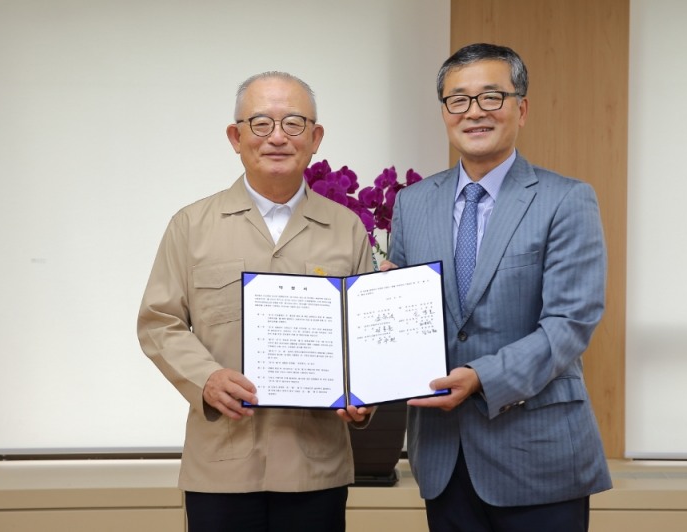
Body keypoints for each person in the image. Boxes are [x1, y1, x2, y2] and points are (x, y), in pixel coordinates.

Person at [383, 43, 612, 531]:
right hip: (443, 458)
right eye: (458, 100)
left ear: (521, 108)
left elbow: (570, 324)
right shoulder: (412, 203)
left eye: (492, 97)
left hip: (540, 457)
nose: (475, 113)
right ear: (445, 112)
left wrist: (480, 377)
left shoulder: (565, 199)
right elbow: (397, 322)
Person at [137, 71, 373, 532]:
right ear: (236, 136)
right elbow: (158, 322)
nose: (277, 138)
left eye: (294, 124)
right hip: (221, 468)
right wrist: (205, 378)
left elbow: (364, 336)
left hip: (315, 468)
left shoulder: (347, 229)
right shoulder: (192, 225)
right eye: (261, 124)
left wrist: (365, 396)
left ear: (315, 137)